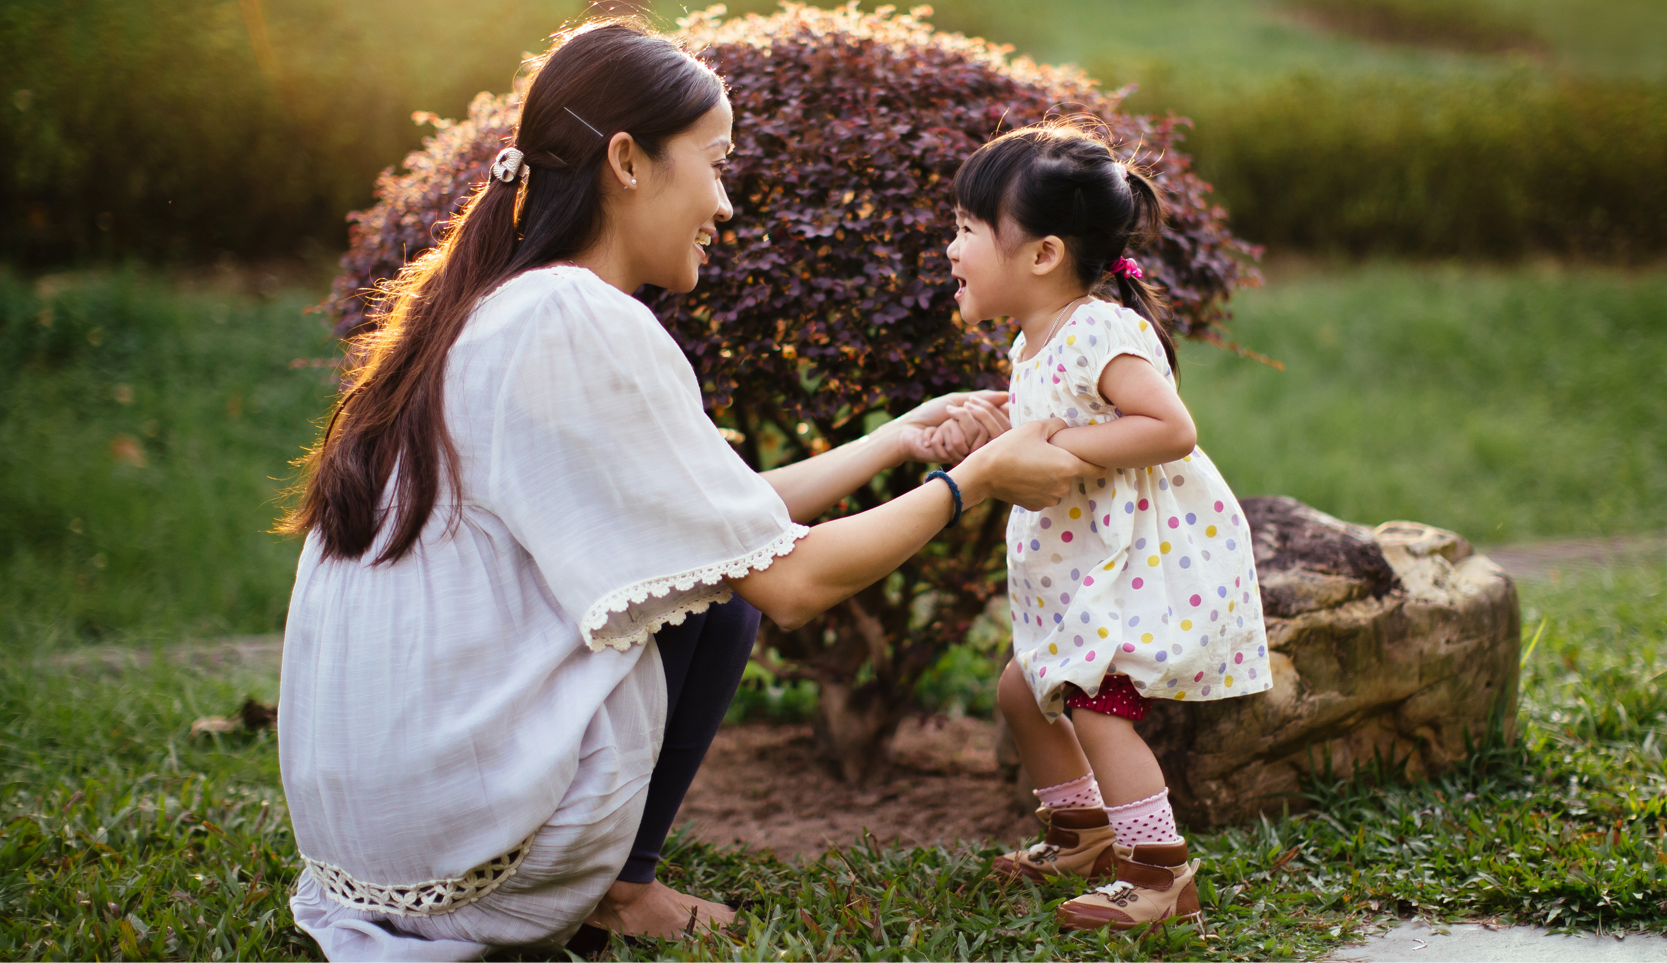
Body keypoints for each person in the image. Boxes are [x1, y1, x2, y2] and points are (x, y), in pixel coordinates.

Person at [272, 22, 1089, 962]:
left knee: (713, 558)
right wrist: (974, 478)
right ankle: (619, 888)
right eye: (714, 163)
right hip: (471, 859)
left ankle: (616, 879)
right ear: (626, 160)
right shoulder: (576, 317)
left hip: (374, 838)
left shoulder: (502, 304)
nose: (725, 203)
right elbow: (787, 581)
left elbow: (715, 508)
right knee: (729, 594)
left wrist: (897, 441)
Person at [943, 122, 1273, 930]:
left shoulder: (1098, 328)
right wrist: (998, 428)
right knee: (1023, 692)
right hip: (1074, 567)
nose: (949, 248)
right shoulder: (1033, 338)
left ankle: (1159, 873)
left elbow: (1168, 428)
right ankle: (1080, 835)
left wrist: (1058, 444)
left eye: (965, 229)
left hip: (1130, 561)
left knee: (1096, 703)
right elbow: (1047, 429)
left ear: (1042, 254)